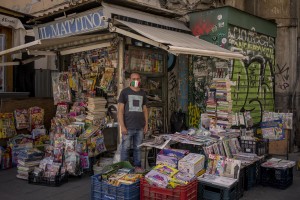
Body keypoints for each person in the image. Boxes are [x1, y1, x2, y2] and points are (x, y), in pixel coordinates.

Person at [117, 73, 148, 171]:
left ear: (140, 80)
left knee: (138, 149)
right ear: (130, 80)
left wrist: (146, 124)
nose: (136, 80)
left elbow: (145, 110)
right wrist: (122, 126)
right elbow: (120, 111)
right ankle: (124, 169)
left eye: (138, 78)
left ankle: (137, 168)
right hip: (128, 126)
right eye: (134, 78)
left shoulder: (143, 93)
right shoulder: (124, 92)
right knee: (125, 148)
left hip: (140, 127)